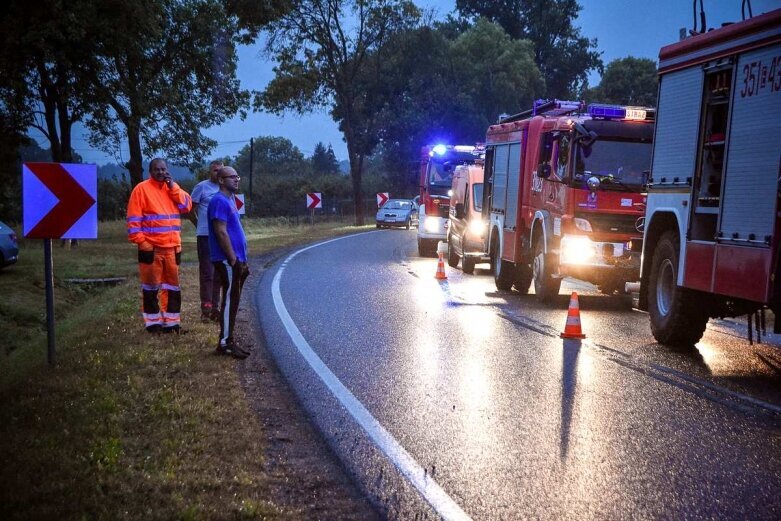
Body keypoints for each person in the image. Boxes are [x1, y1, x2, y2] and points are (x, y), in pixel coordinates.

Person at [126, 158, 192, 333]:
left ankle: (172, 324)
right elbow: (133, 221)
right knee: (150, 288)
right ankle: (153, 324)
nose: (161, 172)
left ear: (168, 170)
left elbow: (187, 206)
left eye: (163, 169)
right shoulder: (141, 189)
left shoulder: (173, 189)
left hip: (172, 248)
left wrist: (173, 188)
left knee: (172, 288)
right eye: (157, 169)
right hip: (151, 249)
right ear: (150, 171)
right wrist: (143, 242)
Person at [208, 166, 250, 358]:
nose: (236, 180)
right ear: (221, 180)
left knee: (234, 298)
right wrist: (233, 258)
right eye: (231, 177)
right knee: (230, 298)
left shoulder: (229, 200)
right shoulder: (218, 201)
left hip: (236, 259)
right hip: (227, 259)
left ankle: (229, 338)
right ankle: (225, 342)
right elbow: (220, 231)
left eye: (237, 176)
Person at [189, 160, 223, 322]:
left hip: (221, 236)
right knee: (207, 272)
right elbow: (189, 209)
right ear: (210, 172)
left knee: (219, 273)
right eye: (215, 170)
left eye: (220, 171)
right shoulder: (202, 187)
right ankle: (206, 308)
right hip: (205, 236)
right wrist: (198, 224)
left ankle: (216, 307)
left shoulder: (225, 188)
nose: (217, 173)